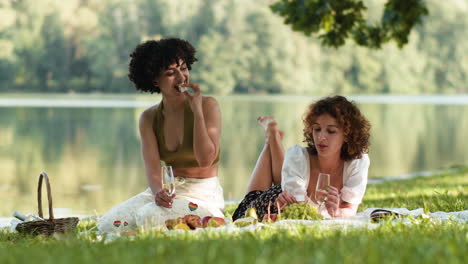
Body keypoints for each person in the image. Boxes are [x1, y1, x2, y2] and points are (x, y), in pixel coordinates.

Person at [98, 38, 223, 232]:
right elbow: (153, 169)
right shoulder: (148, 118)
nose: (182, 78)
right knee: (109, 224)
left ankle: (207, 219)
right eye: (171, 73)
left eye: (183, 68)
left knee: (148, 216)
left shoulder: (208, 105)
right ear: (155, 80)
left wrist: (197, 111)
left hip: (201, 195)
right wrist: (158, 193)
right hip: (169, 193)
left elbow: (206, 159)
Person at [232, 96, 371, 221]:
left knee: (288, 176)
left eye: (331, 131)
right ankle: (271, 136)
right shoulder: (298, 157)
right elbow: (300, 212)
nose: (321, 137)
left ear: (347, 134)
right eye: (317, 129)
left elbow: (350, 211)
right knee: (253, 196)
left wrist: (337, 212)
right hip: (264, 206)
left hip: (285, 192)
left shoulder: (357, 163)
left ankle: (272, 135)